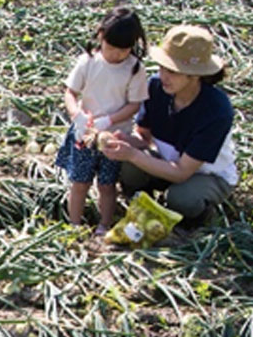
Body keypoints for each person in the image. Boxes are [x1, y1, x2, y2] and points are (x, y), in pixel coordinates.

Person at [101, 24, 237, 227]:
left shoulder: (216, 111)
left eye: (172, 71)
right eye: (162, 67)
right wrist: (126, 142)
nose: (163, 75)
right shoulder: (157, 87)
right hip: (167, 163)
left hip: (206, 174)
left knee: (182, 199)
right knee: (128, 166)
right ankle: (140, 206)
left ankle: (197, 220)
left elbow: (182, 172)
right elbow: (144, 136)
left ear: (195, 75)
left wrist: (133, 154)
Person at [55, 7, 150, 234]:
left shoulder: (135, 69)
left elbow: (135, 105)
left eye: (123, 50)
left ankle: (104, 225)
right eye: (111, 47)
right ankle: (74, 225)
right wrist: (76, 115)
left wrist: (108, 121)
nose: (116, 54)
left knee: (107, 185)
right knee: (79, 183)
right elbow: (70, 92)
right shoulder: (88, 62)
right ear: (101, 35)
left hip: (113, 137)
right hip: (84, 135)